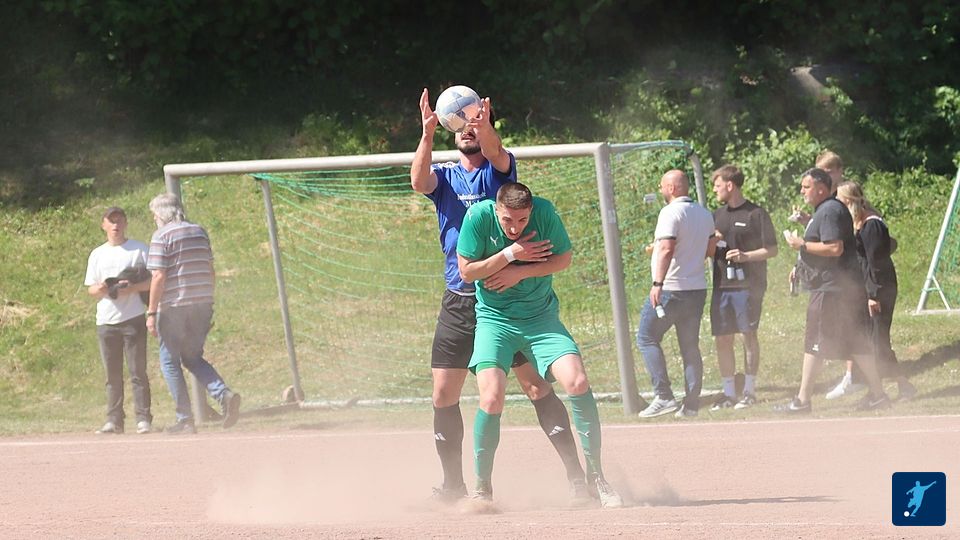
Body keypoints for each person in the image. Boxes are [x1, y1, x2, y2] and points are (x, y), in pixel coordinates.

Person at [410, 88, 590, 504]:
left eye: (473, 125)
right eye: (461, 126)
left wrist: (484, 126)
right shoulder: (446, 176)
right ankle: (454, 485)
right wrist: (426, 134)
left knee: (535, 387)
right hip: (460, 297)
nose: (467, 131)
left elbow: (495, 152)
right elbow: (418, 181)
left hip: (503, 297)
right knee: (443, 393)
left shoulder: (498, 174)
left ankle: (577, 477)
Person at [456, 182, 623, 507]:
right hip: (495, 321)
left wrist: (520, 273)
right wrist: (510, 254)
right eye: (507, 220)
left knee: (577, 381)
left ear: (531, 211)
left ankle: (596, 478)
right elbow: (466, 272)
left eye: (522, 220)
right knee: (491, 398)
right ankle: (482, 489)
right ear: (496, 209)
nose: (515, 228)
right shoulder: (478, 216)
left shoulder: (545, 213)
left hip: (541, 319)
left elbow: (564, 259)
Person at [777, 168, 891, 413]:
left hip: (831, 290)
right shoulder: (827, 210)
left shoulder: (829, 210)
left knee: (814, 343)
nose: (802, 191)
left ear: (821, 189)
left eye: (806, 187)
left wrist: (801, 244)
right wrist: (800, 264)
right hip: (841, 289)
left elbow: (834, 248)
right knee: (857, 344)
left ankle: (802, 401)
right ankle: (878, 395)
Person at [145, 193, 241, 434]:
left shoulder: (161, 236)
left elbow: (158, 276)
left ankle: (185, 418)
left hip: (175, 306)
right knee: (192, 357)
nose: (154, 220)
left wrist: (151, 312)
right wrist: (208, 299)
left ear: (161, 215)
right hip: (202, 303)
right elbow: (210, 269)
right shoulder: (199, 231)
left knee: (169, 361)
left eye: (154, 215)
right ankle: (223, 394)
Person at [636, 170, 716, 418]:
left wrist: (657, 283)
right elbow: (710, 248)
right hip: (696, 288)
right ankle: (691, 404)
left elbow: (667, 248)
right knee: (689, 345)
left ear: (671, 188)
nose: (660, 190)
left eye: (662, 186)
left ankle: (663, 396)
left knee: (646, 337)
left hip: (672, 287)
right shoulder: (704, 213)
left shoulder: (670, 212)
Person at [835, 181, 916, 399]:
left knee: (878, 341)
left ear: (848, 201)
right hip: (868, 289)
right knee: (870, 340)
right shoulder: (858, 223)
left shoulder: (872, 225)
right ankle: (883, 388)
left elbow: (876, 263)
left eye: (839, 199)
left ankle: (897, 386)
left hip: (880, 290)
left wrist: (874, 295)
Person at [708, 166, 778, 410]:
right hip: (721, 285)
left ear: (730, 185)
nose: (714, 190)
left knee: (748, 335)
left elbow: (772, 250)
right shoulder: (716, 215)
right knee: (722, 338)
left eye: (718, 185)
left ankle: (749, 390)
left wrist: (745, 256)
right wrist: (713, 240)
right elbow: (709, 250)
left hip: (748, 286)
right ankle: (729, 393)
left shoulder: (756, 214)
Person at [84, 206, 153, 434]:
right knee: (112, 375)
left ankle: (143, 418)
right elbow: (91, 288)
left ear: (125, 223)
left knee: (137, 372)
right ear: (103, 225)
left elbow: (154, 281)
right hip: (106, 321)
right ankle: (114, 420)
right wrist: (104, 287)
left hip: (133, 318)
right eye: (111, 221)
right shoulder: (97, 254)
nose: (115, 225)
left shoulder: (139, 249)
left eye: (119, 220)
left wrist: (131, 288)